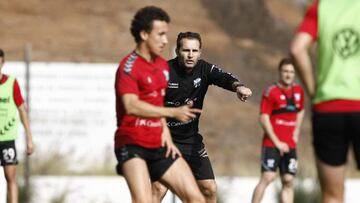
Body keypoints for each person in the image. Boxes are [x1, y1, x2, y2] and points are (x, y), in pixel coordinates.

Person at [114, 7, 206, 203]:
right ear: (144, 34)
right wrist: (173, 111)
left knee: (196, 198)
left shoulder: (162, 67)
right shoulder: (128, 67)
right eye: (161, 34)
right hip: (132, 144)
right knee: (143, 200)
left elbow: (157, 109)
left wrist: (168, 140)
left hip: (159, 143)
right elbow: (131, 105)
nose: (165, 40)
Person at [151, 32, 252, 203]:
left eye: (194, 50)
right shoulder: (163, 71)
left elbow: (224, 77)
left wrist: (238, 87)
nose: (190, 55)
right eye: (186, 50)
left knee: (209, 188)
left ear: (200, 52)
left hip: (191, 141)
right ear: (177, 51)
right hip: (164, 139)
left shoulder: (204, 69)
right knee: (159, 188)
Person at [291, 1, 360, 202]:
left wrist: (314, 91)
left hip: (328, 108)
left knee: (332, 195)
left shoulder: (321, 7)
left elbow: (297, 49)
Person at [251, 58, 305, 203]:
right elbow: (263, 118)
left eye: (292, 72)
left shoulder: (299, 91)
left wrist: (296, 132)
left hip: (290, 144)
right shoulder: (271, 92)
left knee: (288, 180)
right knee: (268, 177)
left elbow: (300, 111)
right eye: (286, 71)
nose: (288, 75)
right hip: (272, 143)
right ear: (280, 72)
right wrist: (277, 142)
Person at [0, 49, 34, 203]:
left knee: (11, 177)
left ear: (3, 63)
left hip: (7, 139)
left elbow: (22, 110)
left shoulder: (11, 83)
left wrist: (29, 138)